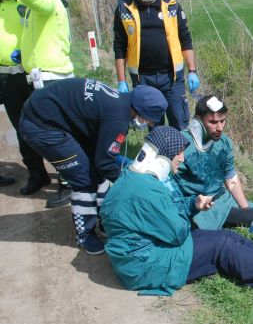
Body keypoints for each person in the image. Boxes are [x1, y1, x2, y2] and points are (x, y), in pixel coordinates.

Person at [100, 126, 253, 296]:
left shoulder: (131, 177)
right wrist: (181, 205)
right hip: (147, 267)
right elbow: (179, 232)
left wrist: (193, 204)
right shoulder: (151, 190)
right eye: (177, 153)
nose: (181, 158)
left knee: (228, 237)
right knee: (223, 245)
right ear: (162, 156)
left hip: (141, 255)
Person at [19, 78, 168, 255]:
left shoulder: (121, 101)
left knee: (98, 170)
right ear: (142, 113)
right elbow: (105, 163)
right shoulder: (117, 118)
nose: (148, 125)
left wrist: (117, 166)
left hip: (50, 113)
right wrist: (130, 182)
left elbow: (104, 158)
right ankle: (85, 234)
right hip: (41, 126)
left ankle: (104, 218)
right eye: (149, 122)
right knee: (84, 178)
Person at [174, 95, 253, 231]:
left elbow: (230, 177)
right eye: (213, 122)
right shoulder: (182, 143)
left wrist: (245, 209)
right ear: (198, 121)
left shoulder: (224, 143)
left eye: (222, 121)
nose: (219, 127)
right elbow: (172, 181)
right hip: (204, 206)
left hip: (224, 198)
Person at [14, 0, 75, 207]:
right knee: (51, 132)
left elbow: (36, 1)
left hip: (52, 78)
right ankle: (66, 180)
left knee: (56, 135)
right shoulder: (33, 6)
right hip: (40, 77)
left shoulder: (51, 1)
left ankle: (69, 183)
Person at [113, 0, 199, 130]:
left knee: (179, 122)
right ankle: (158, 150)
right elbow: (119, 47)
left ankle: (180, 150)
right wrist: (121, 81)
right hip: (143, 79)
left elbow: (185, 38)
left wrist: (192, 70)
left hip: (172, 78)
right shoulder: (124, 8)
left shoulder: (171, 4)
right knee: (154, 125)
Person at [0, 0, 28, 188]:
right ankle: (35, 172)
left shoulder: (25, 2)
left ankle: (40, 173)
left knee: (32, 125)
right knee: (18, 124)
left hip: (26, 74)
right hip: (2, 74)